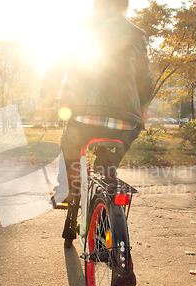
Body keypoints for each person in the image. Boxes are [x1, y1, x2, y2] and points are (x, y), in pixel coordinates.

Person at [39, 0, 154, 246]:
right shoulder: (137, 35)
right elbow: (145, 81)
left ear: (94, 6)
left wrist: (46, 96)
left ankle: (70, 188)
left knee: (70, 142)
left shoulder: (77, 28)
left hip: (82, 116)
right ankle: (103, 234)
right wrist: (140, 113)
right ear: (126, 9)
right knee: (107, 171)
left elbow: (57, 66)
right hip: (125, 123)